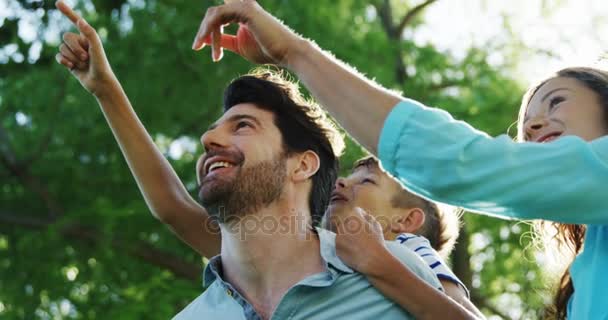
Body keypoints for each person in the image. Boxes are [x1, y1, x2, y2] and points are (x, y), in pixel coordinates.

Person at [189, 1, 608, 318]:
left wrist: (294, 52)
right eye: (526, 125)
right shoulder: (585, 276)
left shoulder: (402, 259)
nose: (532, 128)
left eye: (556, 102)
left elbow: (460, 162)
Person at [53, 2, 454, 320]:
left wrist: (382, 266)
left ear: (302, 166)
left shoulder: (399, 269)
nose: (208, 139)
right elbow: (173, 206)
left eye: (243, 126)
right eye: (214, 129)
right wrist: (105, 90)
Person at [325, 156, 484, 318]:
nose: (341, 181)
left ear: (406, 220)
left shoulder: (412, 247)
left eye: (367, 180)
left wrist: (374, 259)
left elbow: (464, 312)